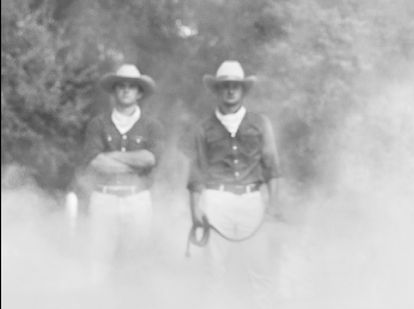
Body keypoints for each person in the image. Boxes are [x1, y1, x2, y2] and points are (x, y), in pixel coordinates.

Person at [186, 59, 281, 295]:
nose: (230, 90)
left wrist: (272, 206)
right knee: (213, 271)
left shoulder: (260, 124)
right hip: (216, 198)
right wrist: (195, 210)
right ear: (217, 90)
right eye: (225, 85)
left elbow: (272, 167)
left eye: (235, 86)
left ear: (243, 90)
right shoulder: (204, 127)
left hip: (251, 198)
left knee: (260, 269)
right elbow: (197, 169)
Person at [78, 59, 163, 282]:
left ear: (139, 93)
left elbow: (149, 159)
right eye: (121, 85)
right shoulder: (98, 124)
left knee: (137, 260)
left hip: (137, 200)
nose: (126, 90)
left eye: (131, 86)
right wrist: (132, 163)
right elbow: (95, 162)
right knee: (99, 259)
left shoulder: (151, 126)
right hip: (104, 197)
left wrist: (111, 156)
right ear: (115, 91)